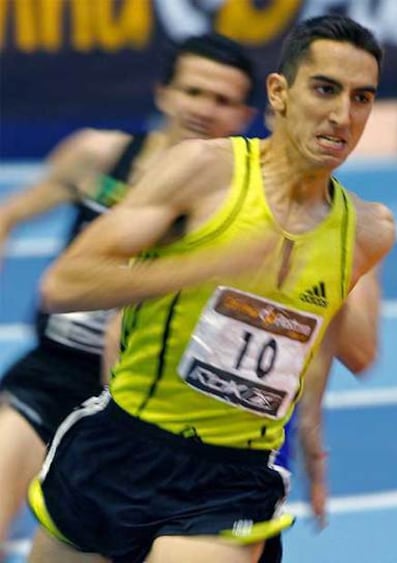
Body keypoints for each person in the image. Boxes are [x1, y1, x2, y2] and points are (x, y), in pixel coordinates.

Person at [28, 14, 396, 563]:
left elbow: (319, 329)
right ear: (279, 92)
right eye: (325, 89)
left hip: (232, 479)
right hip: (122, 445)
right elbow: (63, 284)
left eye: (362, 97)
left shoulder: (367, 231)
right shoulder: (204, 171)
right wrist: (203, 266)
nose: (343, 116)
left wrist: (313, 430)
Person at [0, 32, 257, 544]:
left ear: (245, 116)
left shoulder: (240, 205)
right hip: (53, 375)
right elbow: (9, 216)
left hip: (148, 406)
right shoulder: (98, 156)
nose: (205, 109)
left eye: (223, 100)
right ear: (163, 93)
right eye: (194, 92)